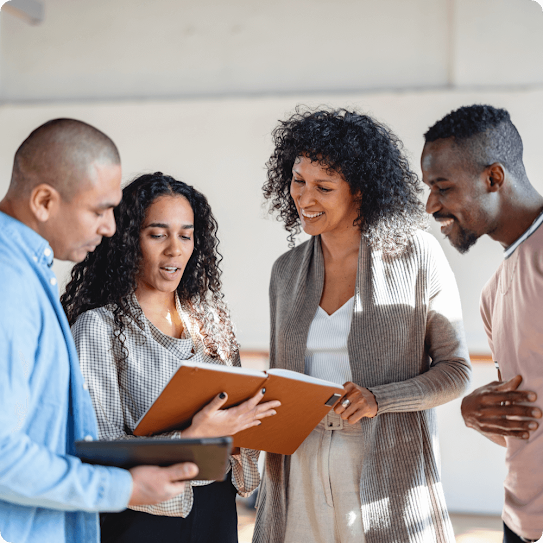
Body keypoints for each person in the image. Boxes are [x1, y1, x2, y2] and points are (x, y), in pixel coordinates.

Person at [253, 108, 472, 543]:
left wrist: (378, 399)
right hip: (299, 464)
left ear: (360, 190)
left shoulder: (418, 257)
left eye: (323, 187)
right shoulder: (286, 271)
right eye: (298, 180)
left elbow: (456, 370)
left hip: (385, 467)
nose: (304, 197)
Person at [0, 120, 198, 543]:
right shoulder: (9, 282)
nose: (111, 227)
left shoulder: (26, 272)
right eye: (99, 210)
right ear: (44, 201)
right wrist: (124, 487)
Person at [61, 172, 281, 543]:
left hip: (215, 507)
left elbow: (236, 439)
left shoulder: (213, 323)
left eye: (185, 234)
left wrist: (250, 422)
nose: (174, 249)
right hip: (141, 516)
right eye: (157, 234)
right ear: (129, 241)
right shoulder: (97, 327)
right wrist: (193, 436)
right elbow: (98, 446)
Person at [421, 104, 543, 543]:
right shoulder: (494, 292)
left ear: (493, 178)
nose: (431, 205)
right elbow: (527, 418)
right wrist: (479, 414)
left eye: (443, 187)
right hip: (519, 522)